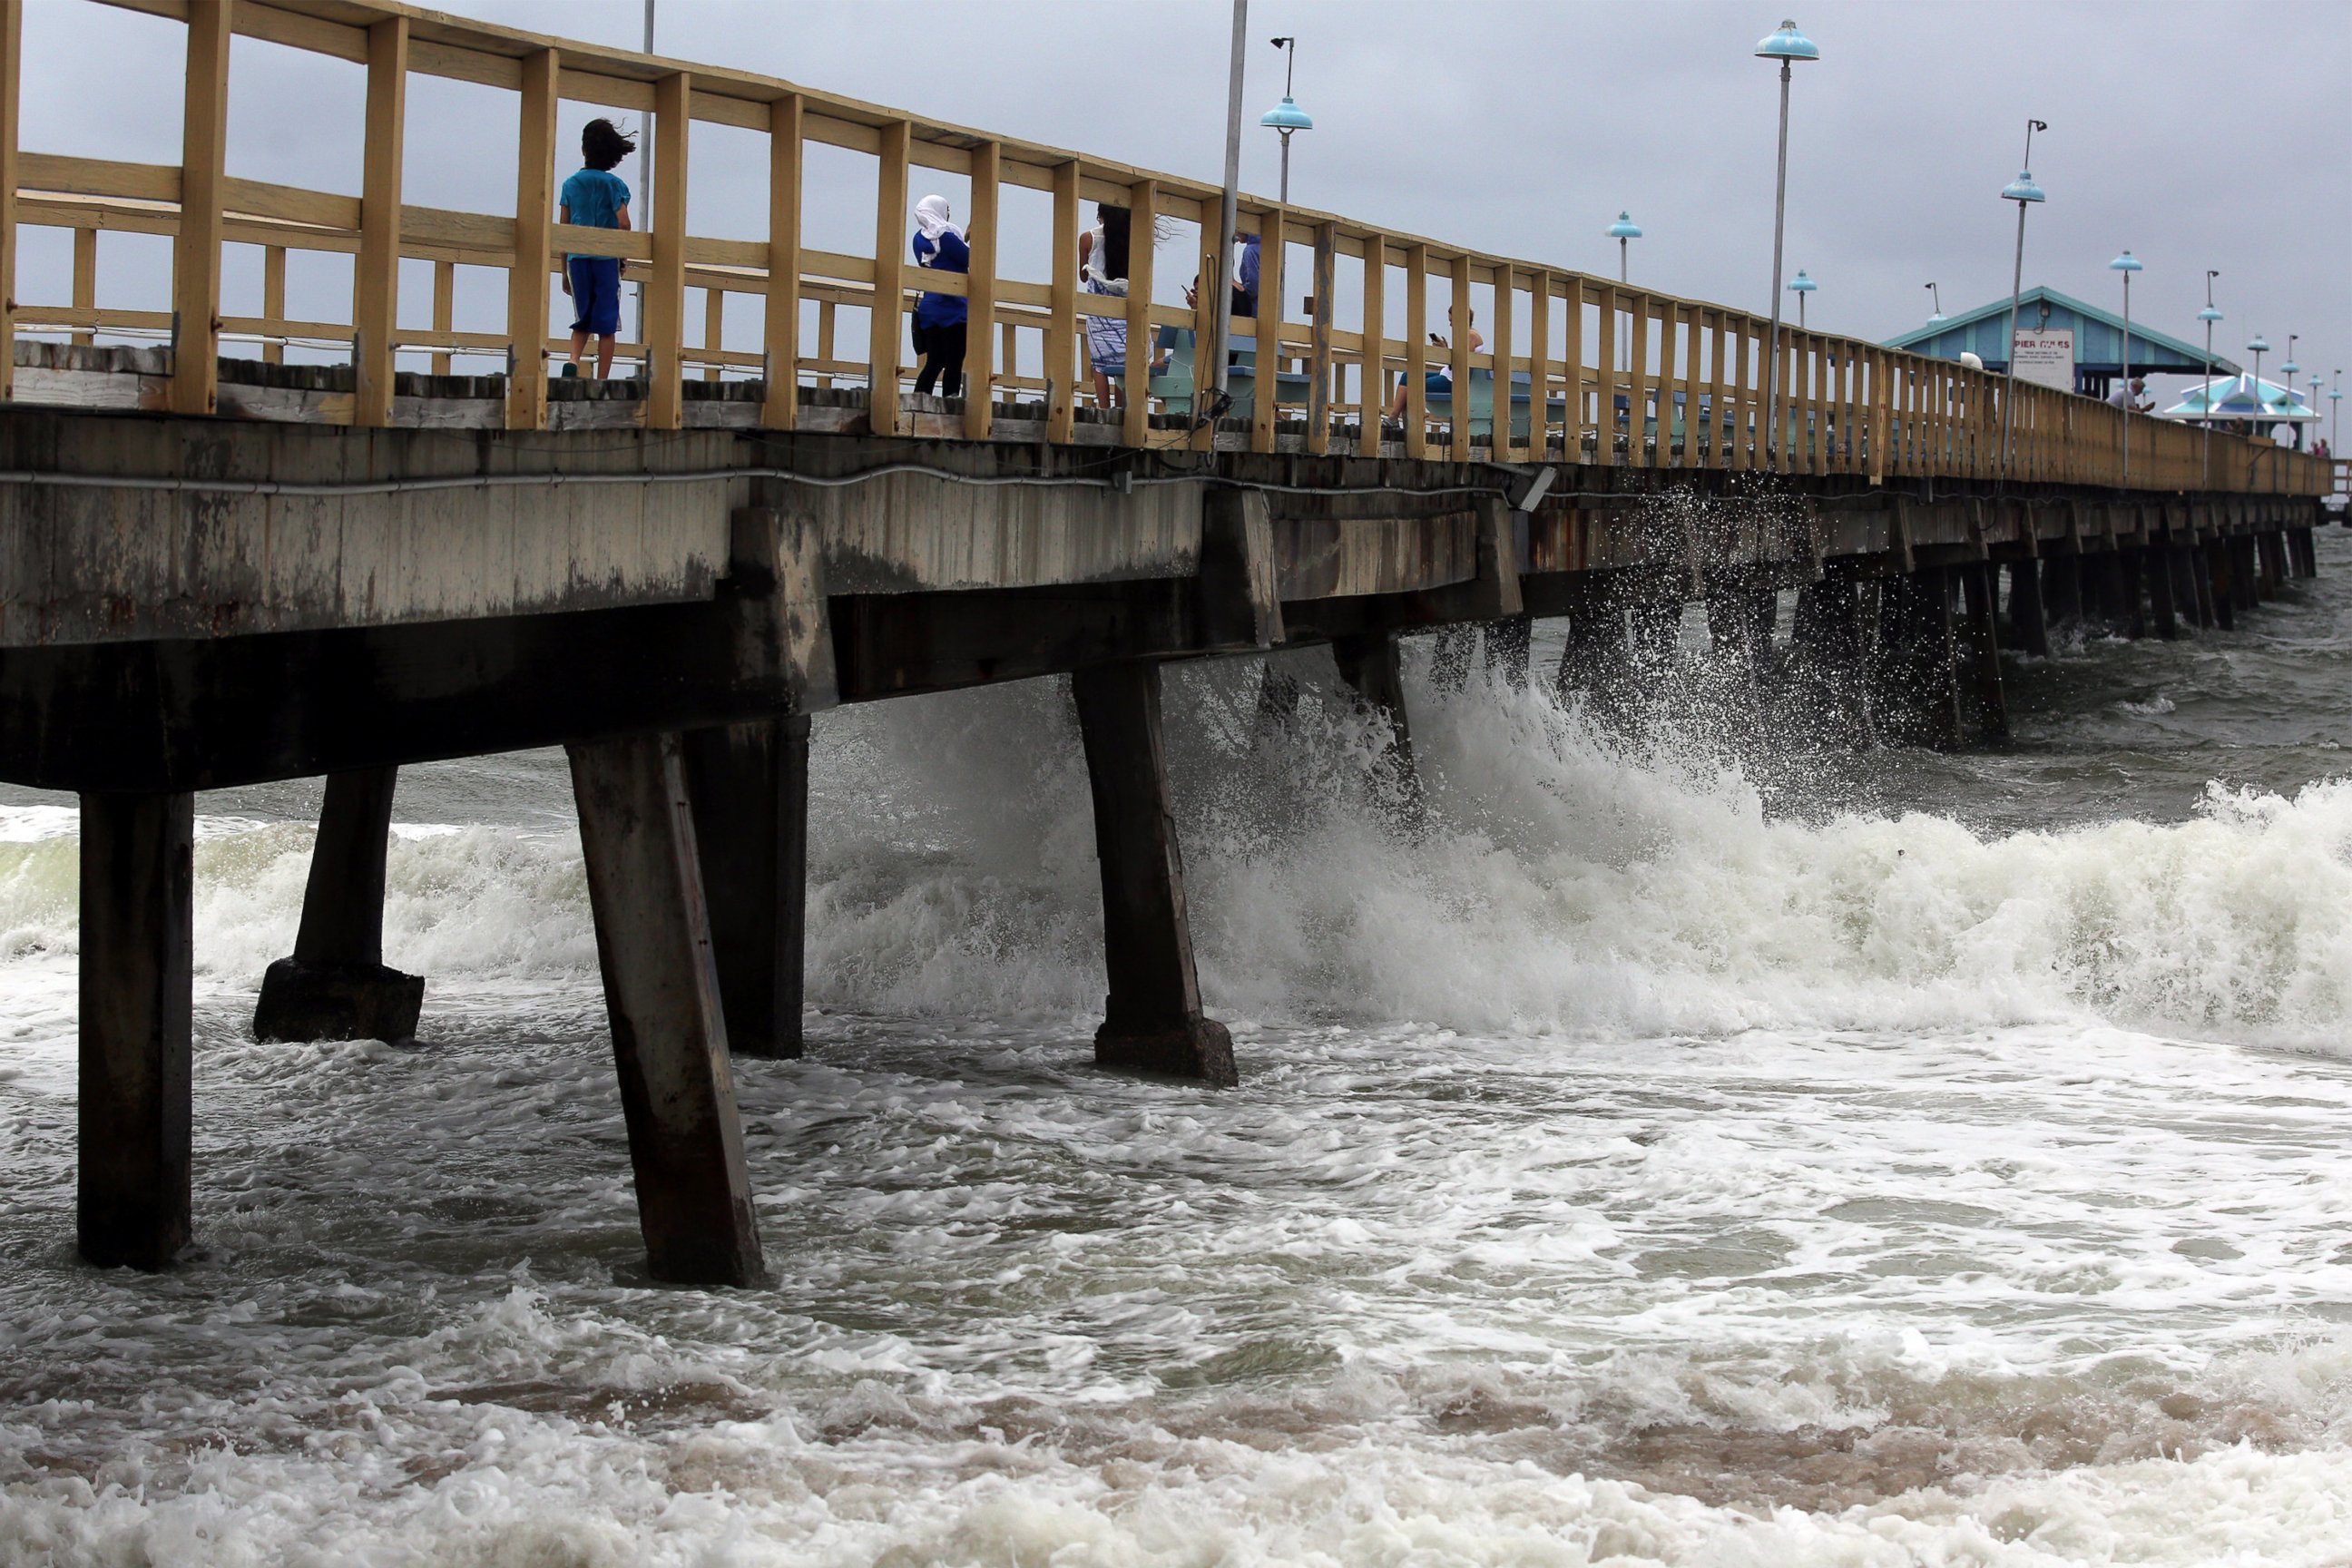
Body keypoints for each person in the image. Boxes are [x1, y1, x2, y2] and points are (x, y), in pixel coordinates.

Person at [559, 118, 635, 380]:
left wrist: (562, 270)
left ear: (585, 150)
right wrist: (623, 255)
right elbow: (623, 222)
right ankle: (602, 380)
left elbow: (564, 228)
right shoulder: (614, 185)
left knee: (584, 317)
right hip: (605, 258)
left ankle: (573, 359)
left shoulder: (570, 184)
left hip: (577, 258)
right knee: (607, 324)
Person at [909, 194, 969, 397]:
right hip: (952, 306)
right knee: (955, 358)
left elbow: (943, 257)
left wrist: (965, 238)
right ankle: (951, 399)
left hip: (929, 307)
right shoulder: (946, 236)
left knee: (935, 360)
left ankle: (919, 397)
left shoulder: (918, 239)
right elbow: (969, 258)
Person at [1386, 304, 1482, 423]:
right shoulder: (1466, 335)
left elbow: (1461, 366)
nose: (1450, 324)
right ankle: (1395, 418)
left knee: (1414, 385)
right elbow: (1457, 361)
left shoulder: (1470, 336)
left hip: (1453, 381)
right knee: (1407, 376)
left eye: (1452, 320)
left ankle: (1397, 419)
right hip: (1447, 375)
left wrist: (1445, 352)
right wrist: (1446, 349)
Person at [1078, 203, 1131, 408]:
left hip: (1097, 307)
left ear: (1100, 215)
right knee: (1122, 363)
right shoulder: (1131, 237)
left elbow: (1083, 276)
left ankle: (1104, 409)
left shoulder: (1087, 238)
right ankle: (1120, 410)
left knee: (1099, 363)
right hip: (1124, 308)